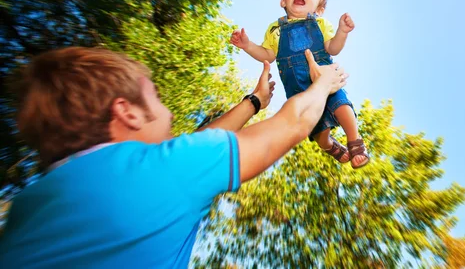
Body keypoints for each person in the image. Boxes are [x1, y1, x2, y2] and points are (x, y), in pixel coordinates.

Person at [0, 46, 347, 268]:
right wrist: (323, 84)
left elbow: (188, 152)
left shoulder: (28, 206)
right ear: (129, 114)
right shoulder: (167, 174)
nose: (166, 112)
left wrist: (254, 101)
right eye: (156, 98)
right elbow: (295, 122)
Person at [230, 0, 369, 169]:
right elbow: (267, 55)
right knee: (317, 130)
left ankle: (355, 141)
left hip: (324, 77)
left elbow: (333, 49)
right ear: (283, 1)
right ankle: (328, 145)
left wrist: (342, 32)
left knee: (341, 105)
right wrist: (247, 45)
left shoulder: (320, 24)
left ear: (320, 9)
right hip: (298, 88)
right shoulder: (274, 30)